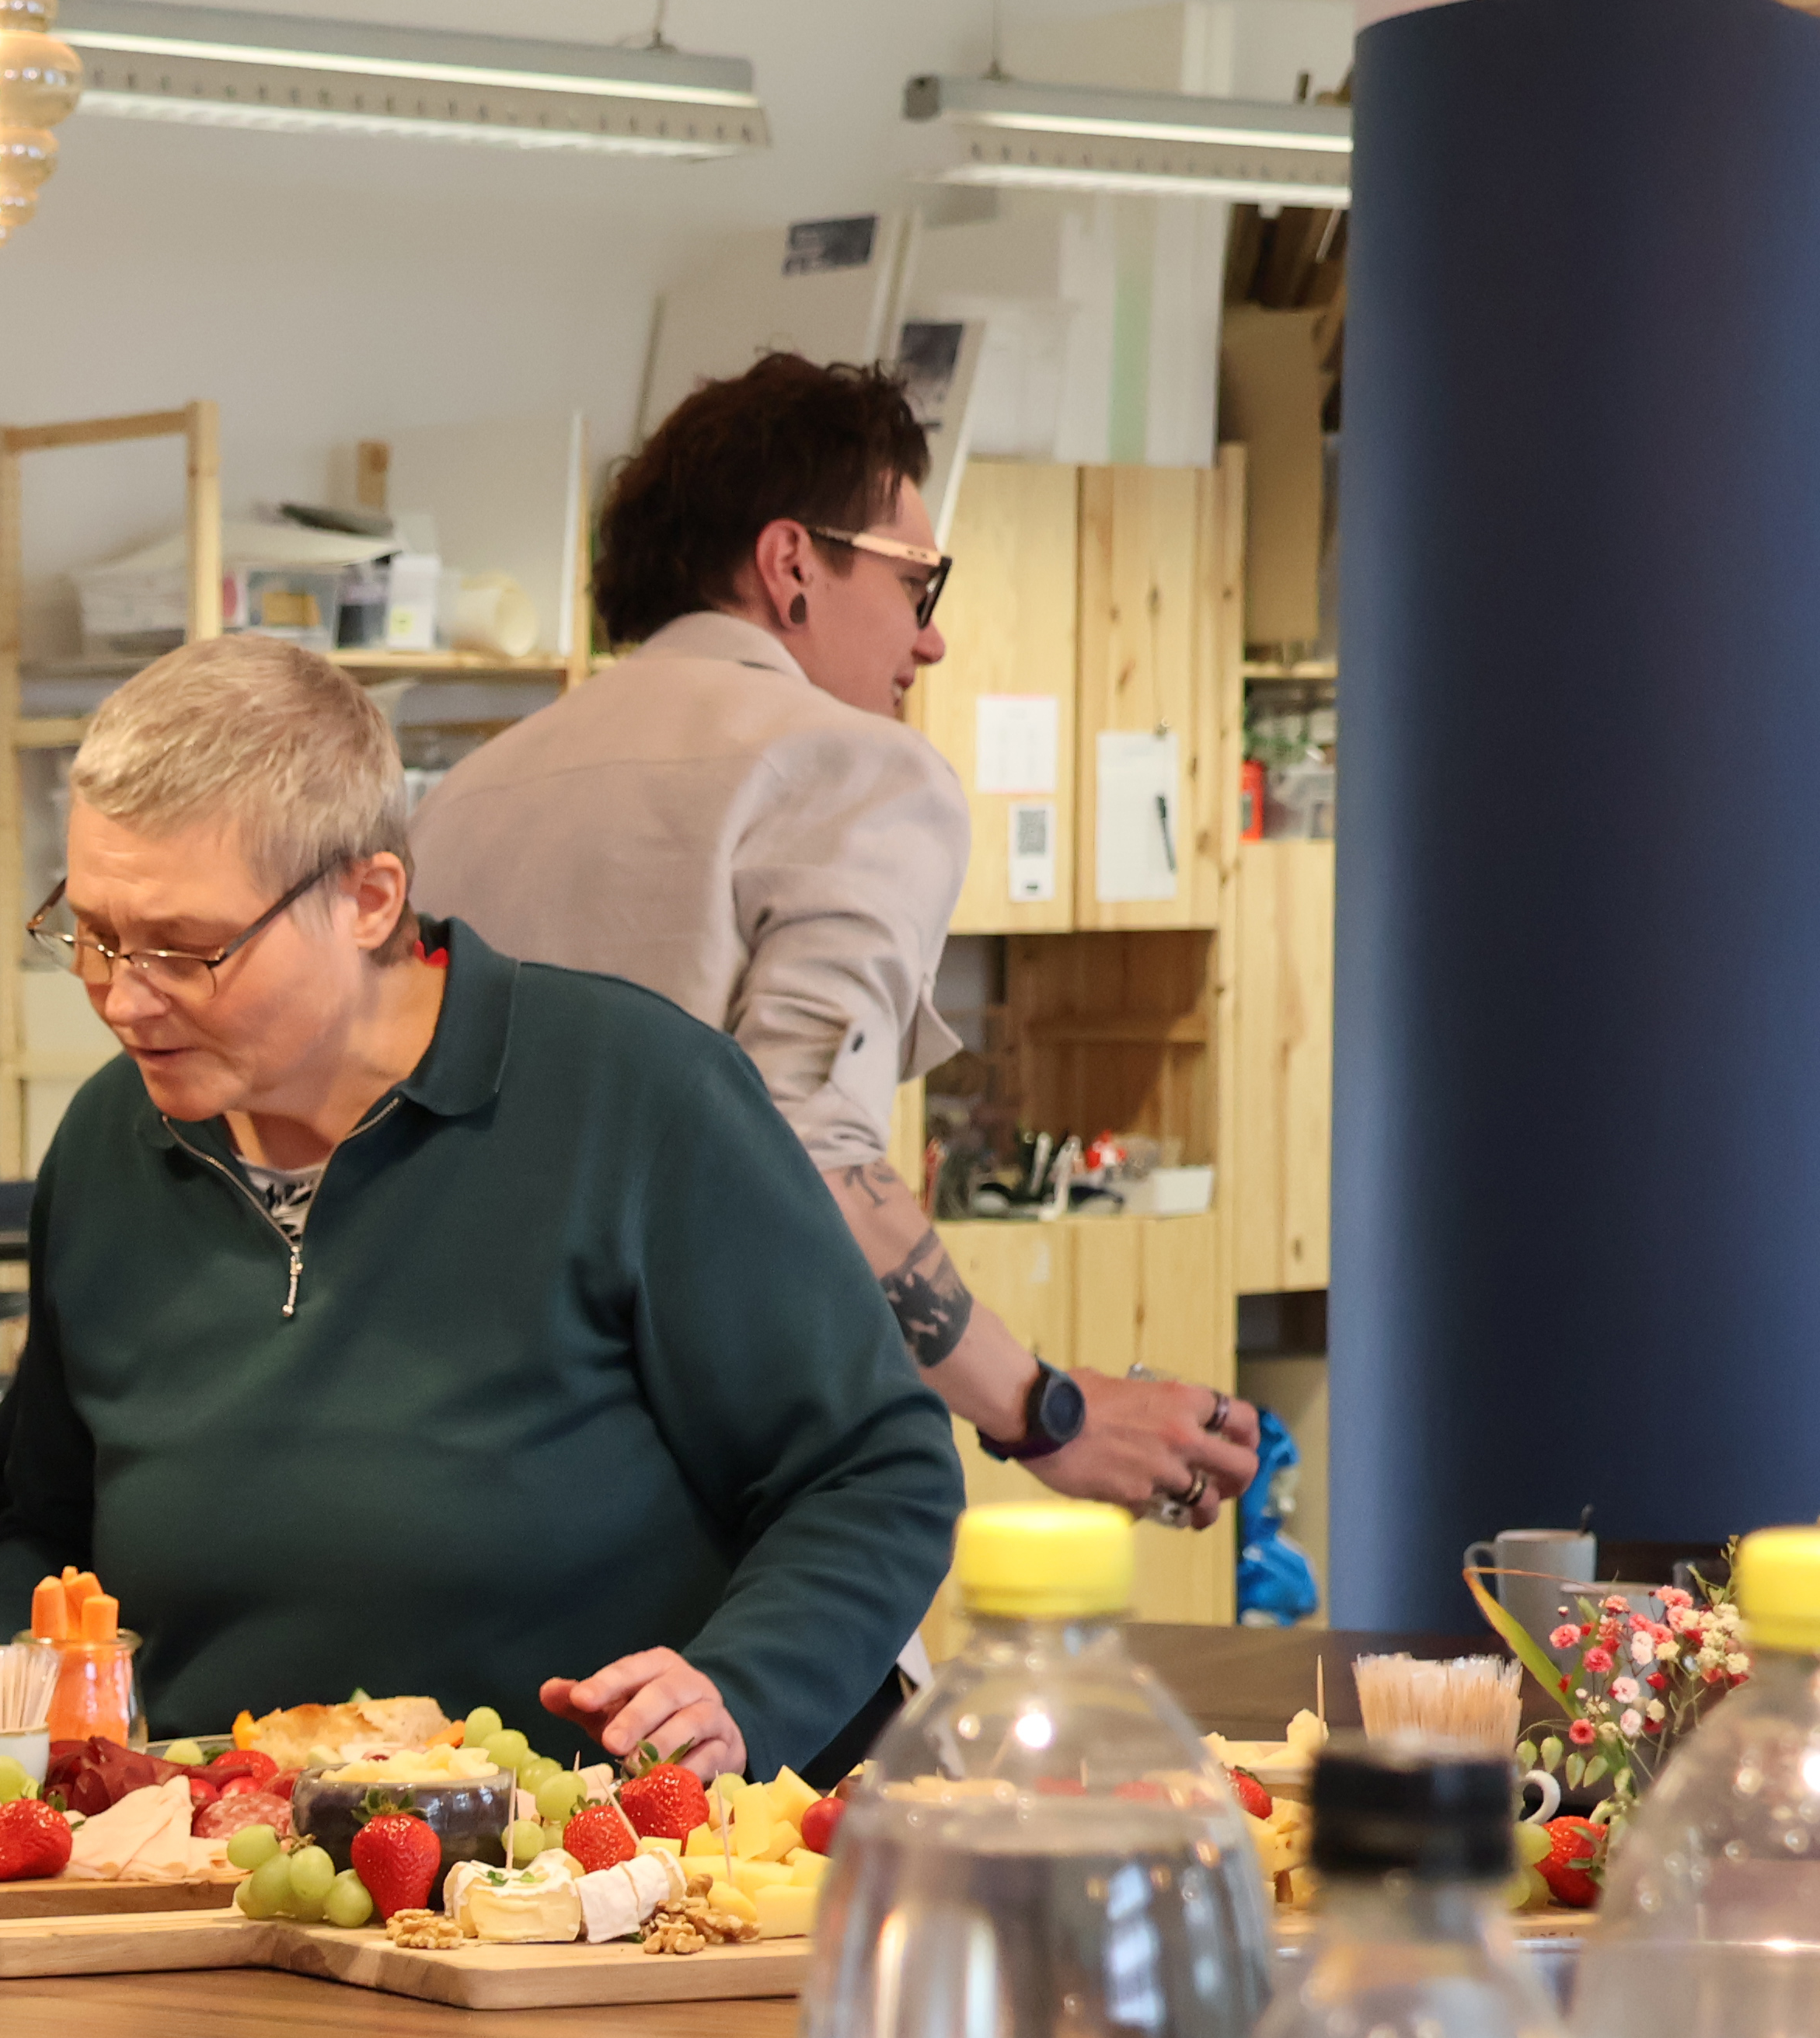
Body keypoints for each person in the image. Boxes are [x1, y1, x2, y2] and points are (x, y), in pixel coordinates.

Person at [0, 634, 956, 1781]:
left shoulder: (632, 1097)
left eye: (186, 951)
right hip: (211, 1874)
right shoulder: (105, 1144)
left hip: (594, 1885)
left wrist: (741, 1688)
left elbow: (874, 1471)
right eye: (91, 934)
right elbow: (43, 1529)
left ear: (369, 899)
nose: (124, 996)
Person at [410, 351, 1261, 1530]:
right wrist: (1042, 1409)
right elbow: (802, 1142)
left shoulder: (467, 793)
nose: (931, 640)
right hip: (708, 1508)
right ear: (792, 565)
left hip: (459, 1467)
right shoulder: (861, 771)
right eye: (921, 581)